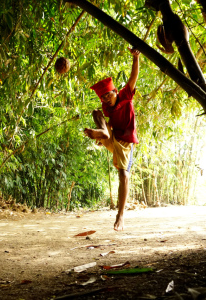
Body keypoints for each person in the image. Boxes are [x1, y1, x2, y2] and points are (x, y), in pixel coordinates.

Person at [84, 48, 140, 231]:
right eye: (103, 96)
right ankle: (102, 133)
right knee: (95, 112)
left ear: (116, 91)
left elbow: (133, 77)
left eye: (108, 94)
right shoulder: (105, 107)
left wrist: (135, 58)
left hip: (125, 142)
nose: (106, 98)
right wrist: (104, 135)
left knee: (124, 175)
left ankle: (120, 215)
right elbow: (107, 117)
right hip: (110, 134)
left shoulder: (126, 95)